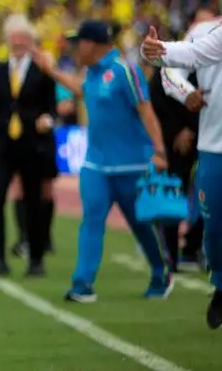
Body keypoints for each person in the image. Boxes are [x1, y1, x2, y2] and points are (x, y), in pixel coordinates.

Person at [33, 20, 173, 302]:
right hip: (96, 165)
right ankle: (82, 283)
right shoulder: (94, 73)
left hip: (132, 166)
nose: (75, 48)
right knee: (92, 220)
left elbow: (146, 111)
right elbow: (80, 89)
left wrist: (159, 151)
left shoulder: (125, 70)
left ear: (92, 44)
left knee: (140, 224)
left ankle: (161, 271)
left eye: (78, 42)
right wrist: (51, 71)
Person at [147, 13, 222, 328]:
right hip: (214, 144)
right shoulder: (210, 30)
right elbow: (171, 72)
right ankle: (221, 283)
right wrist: (185, 93)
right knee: (217, 228)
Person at [0, 14, 57, 277]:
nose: (18, 42)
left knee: (33, 201)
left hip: (32, 143)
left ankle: (36, 259)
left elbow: (51, 106)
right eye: (14, 37)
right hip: (3, 142)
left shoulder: (42, 70)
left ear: (31, 41)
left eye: (23, 38)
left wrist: (47, 119)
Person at [155, 7, 217, 273]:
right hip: (181, 138)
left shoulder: (219, 56)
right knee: (175, 193)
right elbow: (159, 95)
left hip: (213, 137)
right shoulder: (177, 56)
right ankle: (169, 251)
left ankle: (194, 245)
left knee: (214, 196)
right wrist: (178, 130)